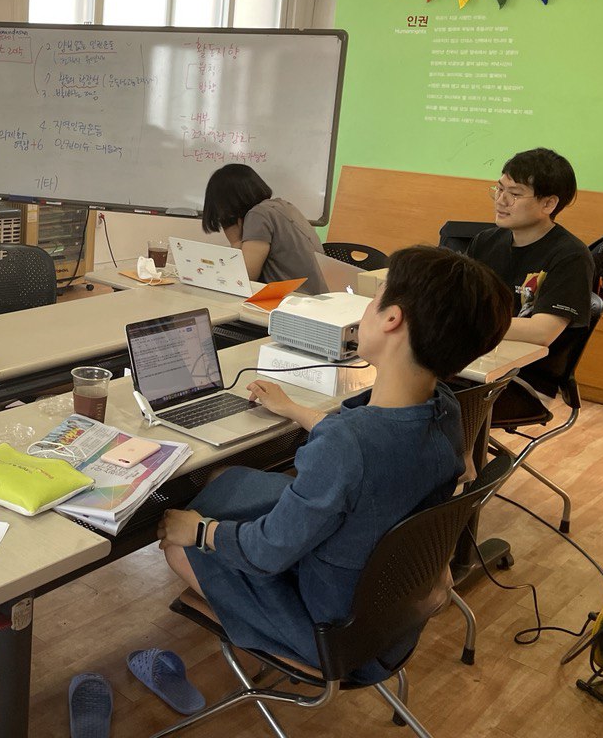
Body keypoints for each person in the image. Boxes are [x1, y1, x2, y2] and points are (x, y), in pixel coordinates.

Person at [155, 245, 512, 678]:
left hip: (331, 633)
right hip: (389, 616)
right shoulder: (445, 408)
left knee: (180, 542)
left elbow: (267, 551)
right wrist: (295, 411)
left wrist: (201, 532)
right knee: (227, 480)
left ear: (392, 318)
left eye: (375, 298)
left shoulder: (348, 445)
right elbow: (369, 441)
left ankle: (258, 627)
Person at [465, 148, 594, 422]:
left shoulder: (570, 256)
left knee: (432, 401)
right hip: (474, 361)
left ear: (548, 204)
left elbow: (541, 331)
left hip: (523, 381)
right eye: (499, 189)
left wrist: (469, 326)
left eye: (514, 194)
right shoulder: (486, 241)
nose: (501, 200)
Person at [201, 163, 326, 294]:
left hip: (296, 300)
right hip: (314, 298)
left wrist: (236, 242)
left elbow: (245, 279)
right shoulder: (281, 206)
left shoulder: (258, 215)